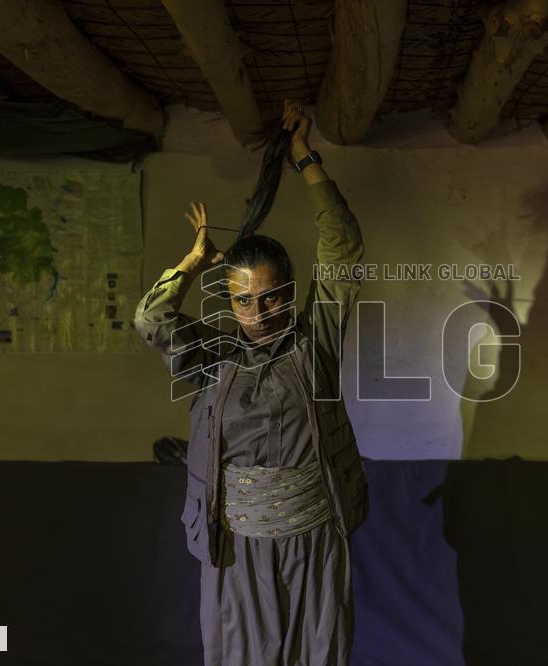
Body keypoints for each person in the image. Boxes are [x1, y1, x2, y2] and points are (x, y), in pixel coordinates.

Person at [133, 99, 368, 666]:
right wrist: (192, 264)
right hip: (237, 550)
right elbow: (151, 321)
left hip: (315, 542)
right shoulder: (212, 357)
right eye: (242, 300)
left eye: (270, 297)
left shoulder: (317, 345)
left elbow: (344, 248)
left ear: (290, 293)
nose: (258, 312)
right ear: (229, 301)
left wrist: (305, 158)